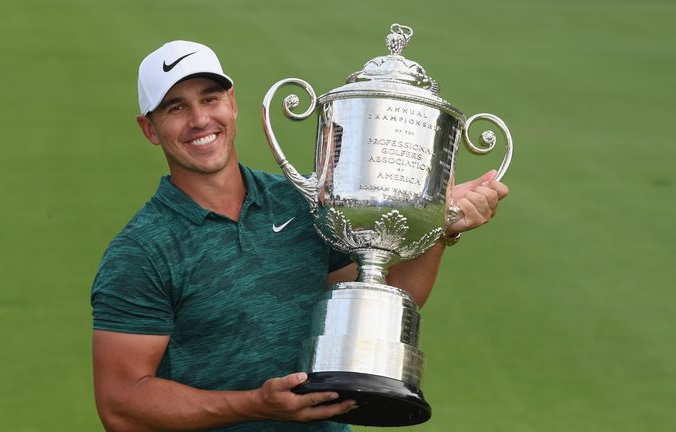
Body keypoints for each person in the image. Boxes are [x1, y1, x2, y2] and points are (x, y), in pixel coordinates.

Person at [91, 40, 509, 432]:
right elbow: (120, 404)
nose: (200, 120)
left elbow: (375, 309)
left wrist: (438, 226)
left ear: (232, 104)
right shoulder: (141, 251)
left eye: (210, 99)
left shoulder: (301, 203)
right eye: (175, 108)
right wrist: (254, 403)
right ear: (149, 128)